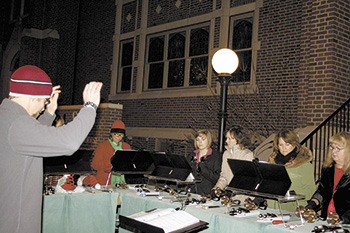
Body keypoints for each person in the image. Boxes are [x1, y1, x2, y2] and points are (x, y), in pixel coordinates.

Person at [0, 65, 102, 233]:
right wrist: (90, 107)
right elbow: (69, 143)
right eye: (43, 101)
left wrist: (48, 113)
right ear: (32, 98)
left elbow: (31, 140)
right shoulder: (18, 123)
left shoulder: (7, 118)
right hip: (16, 224)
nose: (42, 107)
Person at [305, 132, 350, 223]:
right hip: (326, 220)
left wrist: (343, 220)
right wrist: (312, 204)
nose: (333, 151)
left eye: (338, 148)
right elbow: (322, 192)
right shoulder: (327, 169)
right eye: (332, 147)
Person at [268, 129, 315, 211]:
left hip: (293, 209)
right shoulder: (273, 162)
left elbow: (310, 190)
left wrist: (290, 193)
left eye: (287, 144)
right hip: (272, 208)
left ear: (294, 145)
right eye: (281, 145)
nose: (284, 148)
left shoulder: (304, 164)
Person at [90, 120, 131, 186]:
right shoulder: (102, 146)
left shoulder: (126, 146)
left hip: (122, 181)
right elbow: (95, 165)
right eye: (116, 134)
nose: (118, 136)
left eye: (121, 135)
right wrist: (111, 162)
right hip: (105, 181)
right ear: (111, 134)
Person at [213, 126, 254, 193]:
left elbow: (248, 180)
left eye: (230, 139)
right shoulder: (226, 154)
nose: (226, 141)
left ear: (238, 140)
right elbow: (224, 177)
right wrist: (216, 189)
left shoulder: (248, 155)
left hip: (242, 196)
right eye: (226, 138)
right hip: (230, 194)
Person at [186, 129, 222, 195]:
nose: (200, 142)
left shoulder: (215, 156)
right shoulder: (192, 155)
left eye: (203, 139)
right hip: (191, 191)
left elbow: (217, 178)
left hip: (207, 193)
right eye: (197, 140)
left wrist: (203, 168)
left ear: (208, 140)